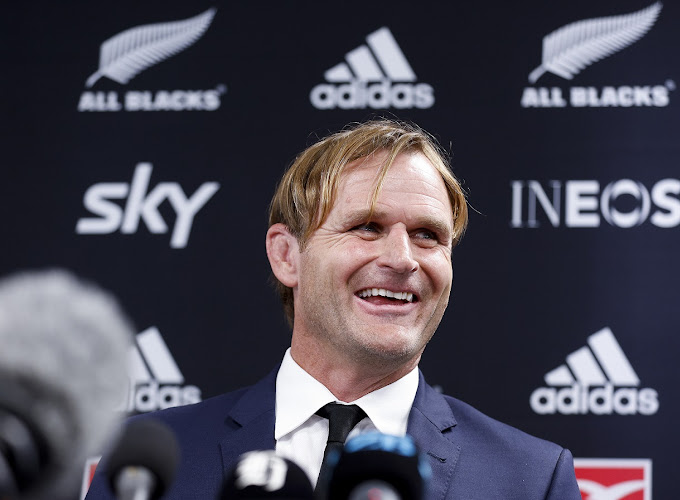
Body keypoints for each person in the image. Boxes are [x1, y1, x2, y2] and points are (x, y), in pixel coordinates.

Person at [86, 120, 581, 499]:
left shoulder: (531, 478)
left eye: (428, 236)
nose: (402, 259)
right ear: (287, 255)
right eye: (367, 226)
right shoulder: (151, 466)